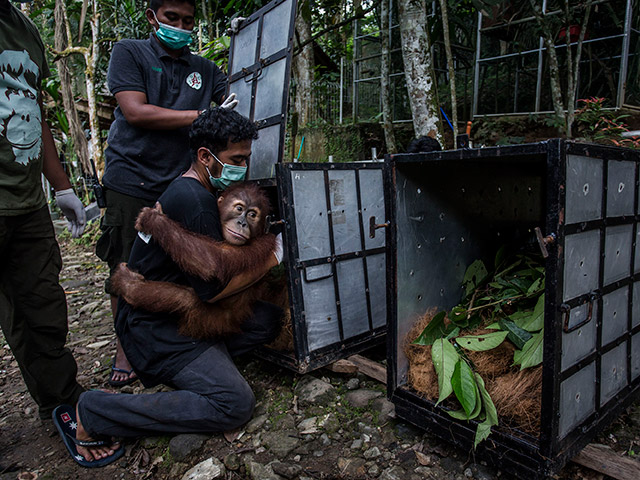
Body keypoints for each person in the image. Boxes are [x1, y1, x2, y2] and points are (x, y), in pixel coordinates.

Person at [55, 107, 283, 465]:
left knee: (266, 320)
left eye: (246, 158)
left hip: (167, 314)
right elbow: (214, 287)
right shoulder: (198, 204)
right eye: (236, 159)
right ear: (205, 157)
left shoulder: (189, 188)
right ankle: (98, 411)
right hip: (158, 330)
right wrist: (271, 256)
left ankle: (202, 368)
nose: (243, 166)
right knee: (236, 403)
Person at [96, 0, 236, 386]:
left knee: (181, 261)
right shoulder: (131, 52)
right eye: (171, 18)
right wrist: (199, 116)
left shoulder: (205, 69)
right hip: (132, 177)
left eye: (188, 20)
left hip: (180, 183)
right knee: (127, 263)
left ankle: (178, 338)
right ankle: (126, 347)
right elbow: (136, 111)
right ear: (152, 16)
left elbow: (238, 94)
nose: (180, 26)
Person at [0, 0, 86, 420]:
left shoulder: (23, 27)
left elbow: (37, 112)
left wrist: (62, 186)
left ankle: (63, 404)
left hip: (26, 203)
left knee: (41, 310)